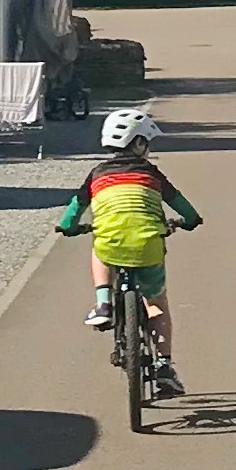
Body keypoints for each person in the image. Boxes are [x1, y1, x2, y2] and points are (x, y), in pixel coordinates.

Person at [58, 107, 202, 400]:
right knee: (157, 303)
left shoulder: (96, 174)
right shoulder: (152, 174)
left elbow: (75, 208)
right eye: (147, 143)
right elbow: (183, 207)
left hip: (111, 242)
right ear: (138, 144)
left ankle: (103, 305)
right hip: (148, 244)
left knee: (100, 246)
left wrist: (67, 227)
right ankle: (164, 366)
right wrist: (190, 221)